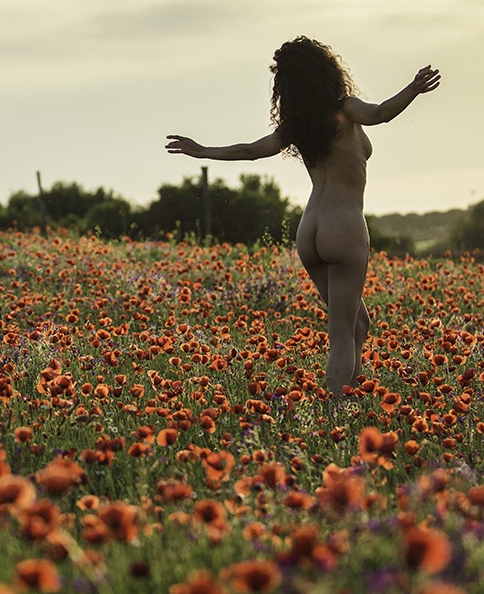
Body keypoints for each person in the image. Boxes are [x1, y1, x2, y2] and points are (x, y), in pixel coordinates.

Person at [165, 36, 440, 399]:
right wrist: (414, 88)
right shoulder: (345, 108)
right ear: (326, 71)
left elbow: (250, 152)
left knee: (359, 322)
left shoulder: (297, 126)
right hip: (343, 227)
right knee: (342, 331)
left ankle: (349, 398)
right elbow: (380, 114)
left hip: (310, 229)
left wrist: (202, 151)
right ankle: (336, 412)